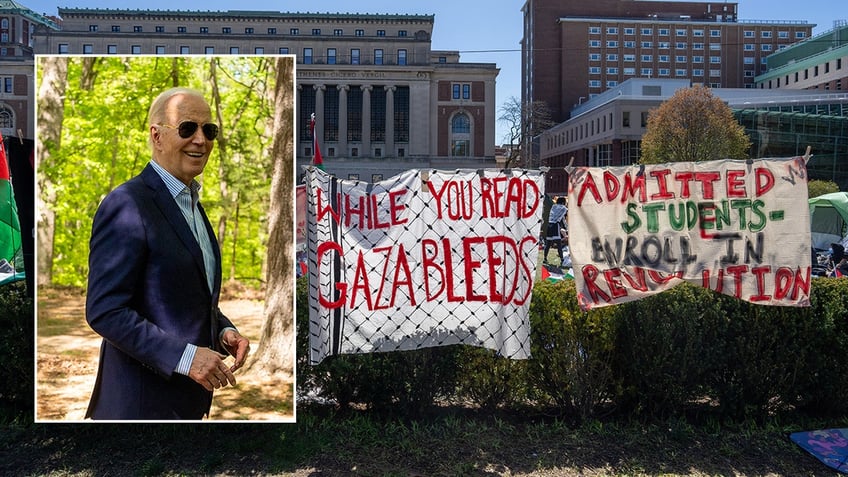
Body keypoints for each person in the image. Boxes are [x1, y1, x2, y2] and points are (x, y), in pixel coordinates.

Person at [85, 87, 250, 420]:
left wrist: (222, 331)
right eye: (188, 128)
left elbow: (185, 296)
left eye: (210, 130)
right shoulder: (128, 203)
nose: (201, 140)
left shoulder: (193, 206)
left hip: (186, 406)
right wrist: (187, 357)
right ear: (156, 136)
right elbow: (105, 310)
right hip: (139, 408)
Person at [544, 196, 568, 265]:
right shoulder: (564, 208)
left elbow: (561, 217)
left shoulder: (553, 206)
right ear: (563, 202)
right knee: (559, 244)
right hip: (555, 225)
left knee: (548, 243)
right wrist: (567, 228)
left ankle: (545, 258)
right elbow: (563, 219)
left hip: (549, 225)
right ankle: (562, 260)